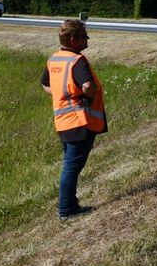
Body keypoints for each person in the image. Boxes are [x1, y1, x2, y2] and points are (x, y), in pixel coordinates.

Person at [40, 19, 107, 221]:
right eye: (84, 36)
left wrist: (61, 96)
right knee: (71, 167)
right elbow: (87, 86)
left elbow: (45, 84)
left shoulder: (54, 60)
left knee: (70, 165)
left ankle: (71, 204)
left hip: (63, 123)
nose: (87, 39)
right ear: (72, 39)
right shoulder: (77, 61)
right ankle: (66, 210)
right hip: (79, 122)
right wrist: (90, 95)